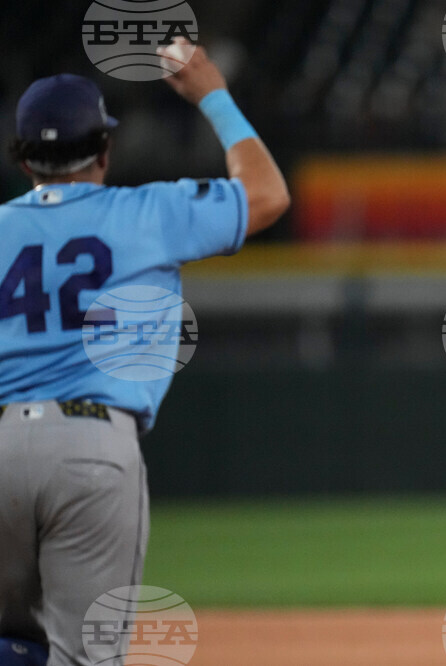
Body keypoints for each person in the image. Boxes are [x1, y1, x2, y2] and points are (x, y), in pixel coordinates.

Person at [0, 38, 289, 665]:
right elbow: (267, 195)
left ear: (24, 160)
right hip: (91, 445)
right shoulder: (148, 211)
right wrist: (211, 92)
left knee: (10, 644)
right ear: (105, 150)